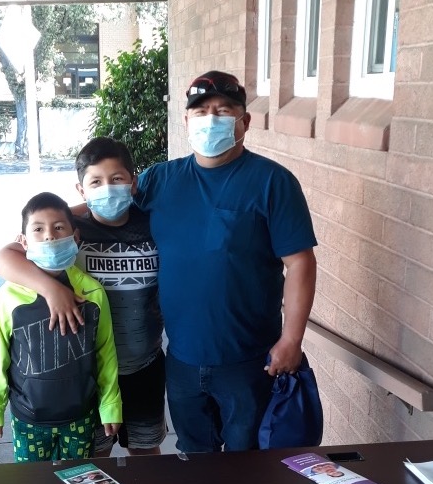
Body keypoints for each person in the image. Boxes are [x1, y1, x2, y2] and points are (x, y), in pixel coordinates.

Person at [134, 70, 317, 453]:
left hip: (249, 362)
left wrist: (292, 339)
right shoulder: (160, 181)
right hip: (181, 359)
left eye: (223, 110)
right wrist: (43, 229)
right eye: (200, 111)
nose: (210, 119)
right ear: (186, 121)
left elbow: (299, 262)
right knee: (194, 461)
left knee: (247, 465)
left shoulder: (273, 182)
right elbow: (106, 211)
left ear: (244, 121)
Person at [0, 137, 166, 457]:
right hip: (88, 376)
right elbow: (3, 257)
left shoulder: (155, 227)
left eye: (117, 179)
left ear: (133, 182)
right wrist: (51, 288)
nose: (108, 189)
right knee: (94, 460)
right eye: (96, 182)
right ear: (82, 190)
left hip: (144, 366)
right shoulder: (71, 233)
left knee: (146, 454)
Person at [0, 191, 122, 462]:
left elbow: (106, 354)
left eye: (58, 227)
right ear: (23, 241)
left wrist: (111, 406)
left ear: (75, 236)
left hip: (81, 416)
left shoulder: (92, 293)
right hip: (29, 419)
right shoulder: (9, 298)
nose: (49, 236)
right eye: (38, 229)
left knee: (78, 482)